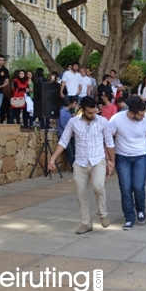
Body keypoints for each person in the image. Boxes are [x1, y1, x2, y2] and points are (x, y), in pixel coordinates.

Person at [49, 96, 115, 234]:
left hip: (98, 160)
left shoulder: (102, 121)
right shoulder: (73, 122)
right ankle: (86, 223)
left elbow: (109, 143)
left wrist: (111, 162)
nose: (93, 115)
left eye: (95, 111)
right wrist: (53, 159)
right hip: (80, 162)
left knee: (98, 186)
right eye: (89, 112)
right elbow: (64, 141)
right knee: (81, 194)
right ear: (82, 110)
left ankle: (102, 213)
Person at [109, 97, 146, 230]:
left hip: (141, 156)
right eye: (140, 115)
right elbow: (108, 139)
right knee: (125, 188)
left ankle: (140, 209)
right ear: (131, 113)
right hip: (122, 157)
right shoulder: (116, 119)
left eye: (143, 114)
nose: (143, 117)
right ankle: (129, 217)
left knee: (138, 187)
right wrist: (110, 159)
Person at [57, 97, 78, 171]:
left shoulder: (68, 112)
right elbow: (63, 124)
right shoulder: (62, 111)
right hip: (64, 134)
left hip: (70, 134)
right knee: (70, 151)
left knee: (74, 150)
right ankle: (73, 167)